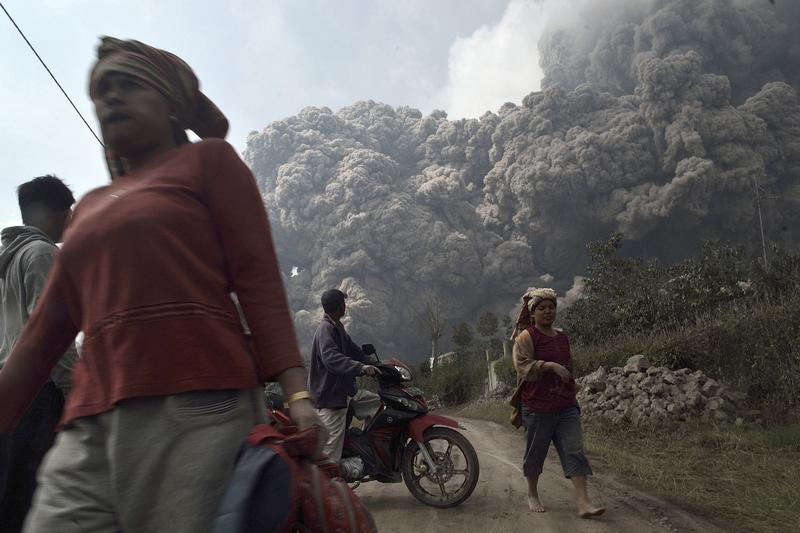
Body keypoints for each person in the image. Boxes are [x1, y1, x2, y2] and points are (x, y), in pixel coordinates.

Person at [0, 37, 322, 533]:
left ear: (171, 106)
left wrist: (298, 396)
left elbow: (259, 284)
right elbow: (40, 338)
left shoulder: (211, 163)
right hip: (88, 425)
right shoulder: (87, 207)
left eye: (128, 84)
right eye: (101, 88)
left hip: (199, 408)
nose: (110, 97)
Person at [0, 176, 79, 532]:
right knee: (35, 498)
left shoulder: (6, 260)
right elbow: (52, 335)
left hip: (8, 394)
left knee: (10, 496)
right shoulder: (43, 254)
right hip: (39, 395)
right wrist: (74, 392)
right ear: (55, 212)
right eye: (68, 211)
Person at [511, 288, 605, 518]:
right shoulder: (526, 337)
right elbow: (522, 367)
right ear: (532, 313)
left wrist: (573, 386)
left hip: (565, 406)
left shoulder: (562, 337)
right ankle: (532, 493)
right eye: (542, 308)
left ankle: (583, 503)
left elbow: (568, 367)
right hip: (537, 407)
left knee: (574, 450)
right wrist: (549, 366)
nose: (547, 312)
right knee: (535, 453)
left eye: (551, 307)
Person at [308, 289, 381, 462]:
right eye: (344, 303)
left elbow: (354, 350)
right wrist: (361, 368)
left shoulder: (337, 327)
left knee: (379, 404)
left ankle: (364, 448)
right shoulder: (325, 329)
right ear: (340, 306)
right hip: (331, 399)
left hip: (347, 393)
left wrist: (377, 364)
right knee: (329, 454)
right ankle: (328, 484)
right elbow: (331, 359)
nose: (345, 306)